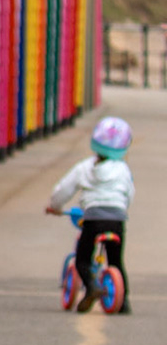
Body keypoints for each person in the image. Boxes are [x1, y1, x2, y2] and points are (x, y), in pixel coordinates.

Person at [46, 115, 135, 314]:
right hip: (117, 220)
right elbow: (129, 193)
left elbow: (63, 190)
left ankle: (92, 286)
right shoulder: (123, 170)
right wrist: (122, 208)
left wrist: (54, 206)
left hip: (93, 219)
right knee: (116, 260)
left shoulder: (85, 167)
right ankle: (124, 301)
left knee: (82, 259)